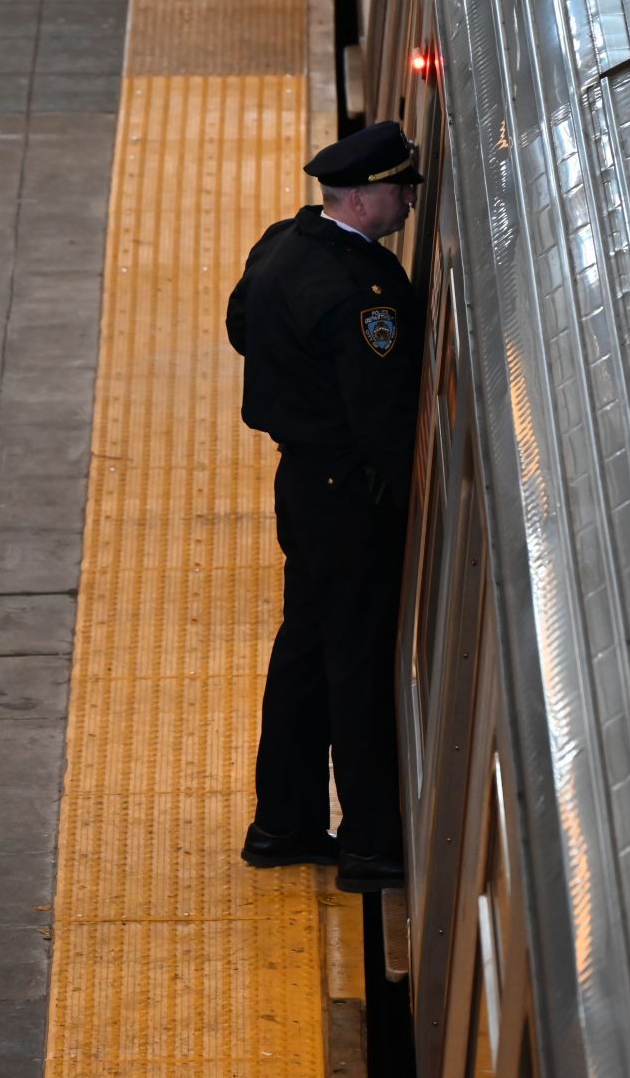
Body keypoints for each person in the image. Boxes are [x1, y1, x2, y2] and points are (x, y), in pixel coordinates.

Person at [224, 120, 423, 894]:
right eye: (402, 190)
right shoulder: (360, 295)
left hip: (302, 484)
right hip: (351, 501)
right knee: (357, 662)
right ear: (367, 197)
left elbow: (245, 326)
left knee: (304, 651)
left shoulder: (282, 244)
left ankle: (283, 823)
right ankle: (371, 842)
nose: (409, 202)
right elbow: (384, 420)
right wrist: (411, 505)